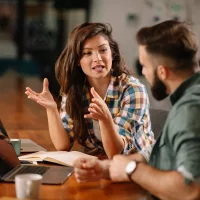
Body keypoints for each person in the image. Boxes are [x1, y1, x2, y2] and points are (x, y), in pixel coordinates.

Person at [73, 20, 200, 200]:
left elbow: (191, 188)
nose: (144, 74)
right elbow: (159, 152)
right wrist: (107, 168)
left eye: (145, 66)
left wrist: (131, 169)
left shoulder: (190, 110)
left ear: (162, 72)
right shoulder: (187, 100)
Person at [25, 22, 154, 158]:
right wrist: (51, 109)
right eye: (87, 53)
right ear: (77, 61)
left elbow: (116, 153)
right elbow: (62, 146)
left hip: (137, 166)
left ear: (113, 53)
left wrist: (106, 120)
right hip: (99, 163)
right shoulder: (75, 90)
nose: (97, 59)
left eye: (103, 50)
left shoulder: (133, 90)